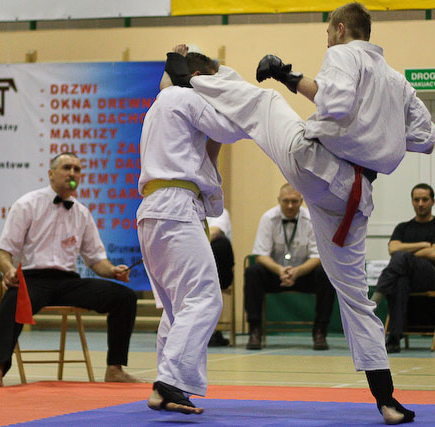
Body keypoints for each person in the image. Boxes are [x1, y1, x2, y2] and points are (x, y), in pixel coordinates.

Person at [165, 2, 435, 423]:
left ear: (341, 28)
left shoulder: (345, 53)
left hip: (316, 164)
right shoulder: (398, 83)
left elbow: (336, 102)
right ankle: (387, 399)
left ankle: (194, 81)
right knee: (356, 297)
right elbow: (426, 137)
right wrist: (375, 135)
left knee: (264, 103)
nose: (327, 41)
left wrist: (288, 76)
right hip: (354, 197)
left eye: (328, 32)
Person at [137, 46, 249, 414]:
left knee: (178, 307)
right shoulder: (186, 98)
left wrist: (174, 57)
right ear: (198, 80)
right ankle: (170, 382)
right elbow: (231, 127)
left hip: (155, 209)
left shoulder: (163, 104)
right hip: (174, 206)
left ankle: (169, 385)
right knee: (204, 298)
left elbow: (212, 149)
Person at [0, 152, 140, 389]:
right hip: (33, 278)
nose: (72, 174)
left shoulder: (82, 213)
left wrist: (113, 270)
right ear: (51, 173)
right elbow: (3, 250)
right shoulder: (27, 204)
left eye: (77, 169)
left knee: (124, 297)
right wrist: (8, 270)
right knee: (13, 300)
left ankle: (115, 369)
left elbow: (96, 259)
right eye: (66, 168)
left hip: (68, 282)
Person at [245, 183, 335, 351]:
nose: (290, 205)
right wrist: (280, 270)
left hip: (304, 274)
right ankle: (254, 330)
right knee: (253, 272)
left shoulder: (312, 218)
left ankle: (320, 331)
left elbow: (318, 256)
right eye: (286, 201)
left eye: (294, 201)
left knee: (325, 274)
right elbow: (260, 255)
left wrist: (297, 272)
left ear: (301, 201)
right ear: (279, 200)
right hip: (276, 274)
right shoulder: (268, 218)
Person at [371, 183, 435, 353]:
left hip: (430, 277)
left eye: (424, 199)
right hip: (407, 277)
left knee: (401, 258)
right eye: (416, 200)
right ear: (412, 201)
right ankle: (394, 339)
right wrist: (423, 245)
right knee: (400, 281)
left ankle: (374, 302)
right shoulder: (403, 227)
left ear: (433, 201)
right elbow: (392, 248)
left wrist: (406, 252)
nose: (420, 204)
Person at [207, 208, 235, 347]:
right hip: (188, 265)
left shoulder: (219, 211)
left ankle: (210, 331)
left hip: (218, 270)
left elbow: (214, 231)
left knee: (221, 243)